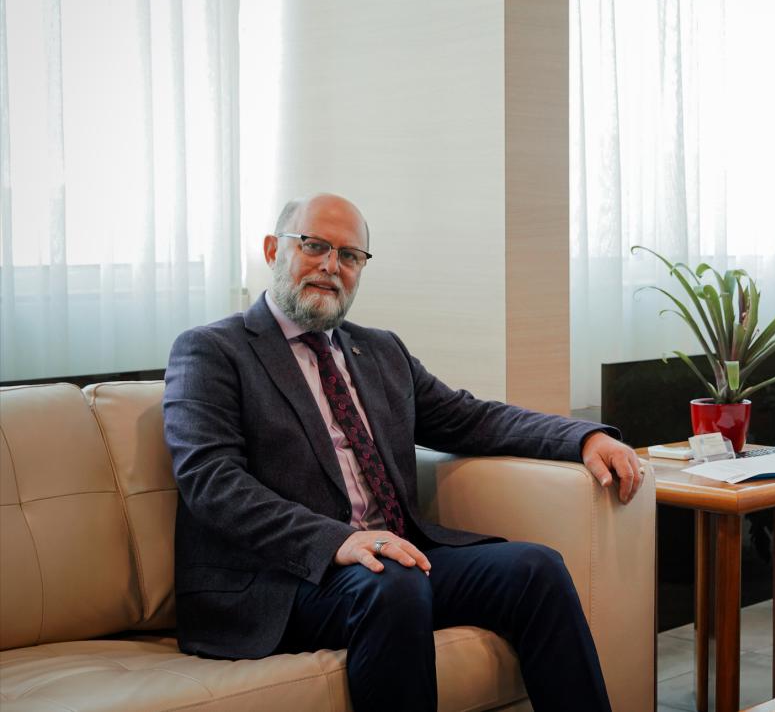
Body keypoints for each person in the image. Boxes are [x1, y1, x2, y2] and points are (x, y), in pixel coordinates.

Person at [163, 193, 643, 712]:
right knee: (393, 584)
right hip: (282, 581)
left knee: (536, 569)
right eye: (314, 246)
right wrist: (339, 542)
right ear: (272, 250)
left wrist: (584, 438)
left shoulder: (380, 350)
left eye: (350, 256)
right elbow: (210, 480)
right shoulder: (212, 349)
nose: (331, 266)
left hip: (395, 560)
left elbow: (472, 419)